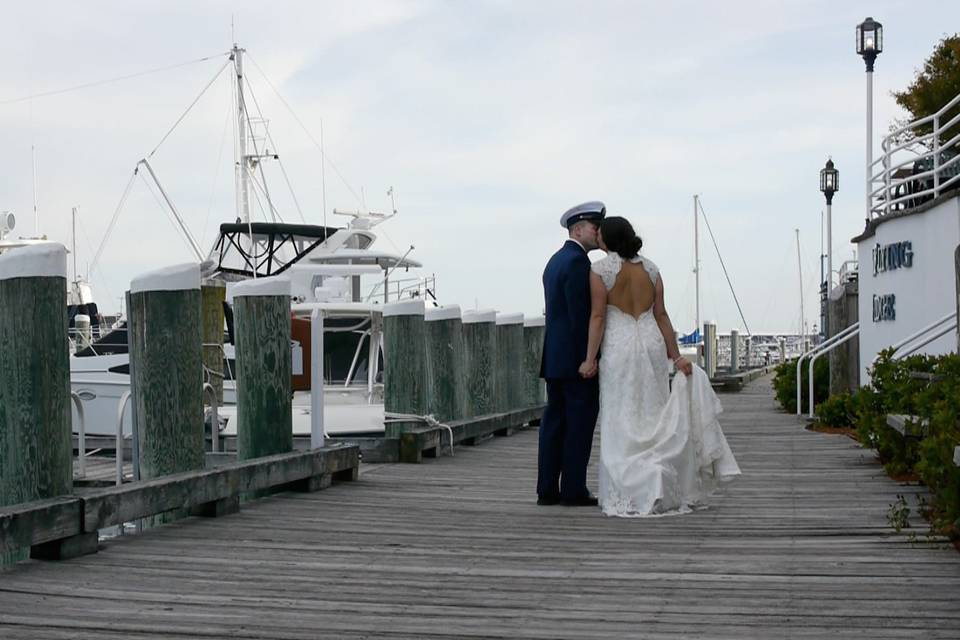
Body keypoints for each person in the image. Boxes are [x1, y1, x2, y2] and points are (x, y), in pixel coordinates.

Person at [582, 216, 741, 517]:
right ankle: (658, 475)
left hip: (619, 346)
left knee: (621, 414)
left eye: (600, 233)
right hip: (652, 345)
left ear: (608, 239)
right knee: (654, 414)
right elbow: (662, 316)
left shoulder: (599, 271)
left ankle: (634, 485)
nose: (597, 236)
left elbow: (599, 317)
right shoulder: (652, 269)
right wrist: (677, 356)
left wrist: (590, 359)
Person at [537, 201, 605, 506]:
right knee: (578, 424)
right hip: (576, 360)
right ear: (578, 229)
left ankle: (547, 489)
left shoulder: (555, 260)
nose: (598, 231)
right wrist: (589, 358)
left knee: (554, 424)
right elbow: (581, 316)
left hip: (554, 358)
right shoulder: (578, 263)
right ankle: (573, 489)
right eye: (595, 226)